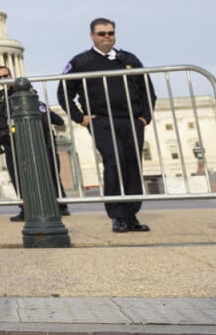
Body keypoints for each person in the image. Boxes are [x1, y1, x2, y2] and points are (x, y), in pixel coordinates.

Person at [56, 18, 156, 233]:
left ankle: (131, 215)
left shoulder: (128, 59)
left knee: (132, 165)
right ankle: (117, 215)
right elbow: (64, 92)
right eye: (102, 33)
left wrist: (144, 118)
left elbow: (147, 89)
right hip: (102, 121)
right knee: (115, 160)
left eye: (110, 33)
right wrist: (81, 118)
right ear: (92, 36)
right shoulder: (81, 62)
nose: (107, 37)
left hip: (131, 121)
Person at [0, 66, 67, 221]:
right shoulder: (1, 97)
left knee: (45, 173)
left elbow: (55, 120)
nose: (3, 79)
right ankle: (25, 208)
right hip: (11, 141)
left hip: (30, 140)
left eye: (5, 76)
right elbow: (1, 118)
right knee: (17, 175)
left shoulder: (26, 96)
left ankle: (57, 206)